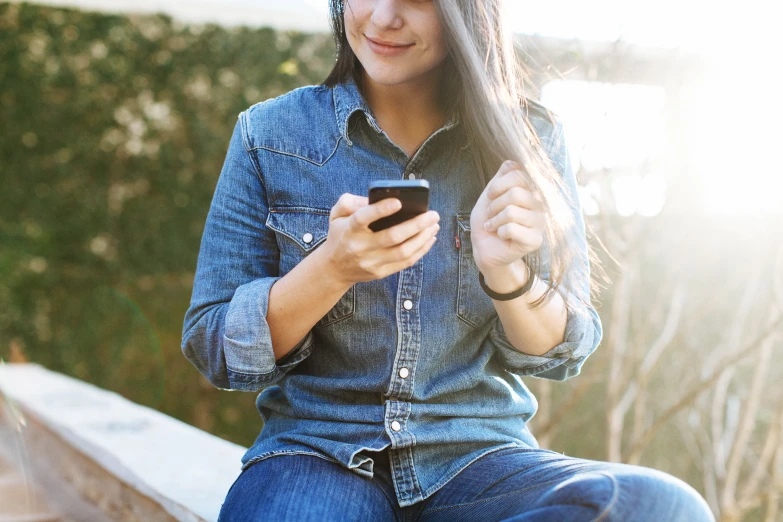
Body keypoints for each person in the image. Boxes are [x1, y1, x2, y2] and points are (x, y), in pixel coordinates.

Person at [181, 1, 715, 520]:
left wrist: (505, 270)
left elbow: (559, 351)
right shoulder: (268, 135)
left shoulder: (532, 137)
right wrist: (332, 268)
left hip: (480, 460)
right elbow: (214, 344)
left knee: (666, 508)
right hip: (316, 454)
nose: (385, 16)